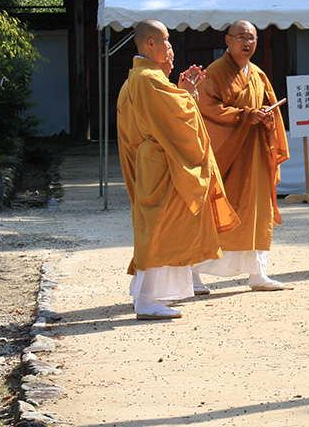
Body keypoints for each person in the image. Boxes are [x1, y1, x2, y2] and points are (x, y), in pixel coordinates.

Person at [117, 19, 239, 320]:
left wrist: (183, 92)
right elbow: (177, 119)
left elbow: (167, 112)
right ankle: (147, 299)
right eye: (167, 41)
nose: (170, 48)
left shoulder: (141, 77)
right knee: (160, 228)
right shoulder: (148, 79)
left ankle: (144, 291)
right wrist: (186, 95)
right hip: (163, 162)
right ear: (150, 44)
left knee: (158, 227)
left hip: (156, 161)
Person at [193, 20, 290, 292]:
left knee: (258, 211)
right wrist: (245, 116)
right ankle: (193, 272)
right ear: (227, 40)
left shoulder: (258, 74)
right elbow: (207, 110)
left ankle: (258, 273)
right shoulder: (215, 72)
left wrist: (266, 118)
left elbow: (271, 111)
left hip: (255, 152)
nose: (247, 43)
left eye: (252, 38)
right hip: (229, 154)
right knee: (220, 210)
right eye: (241, 37)